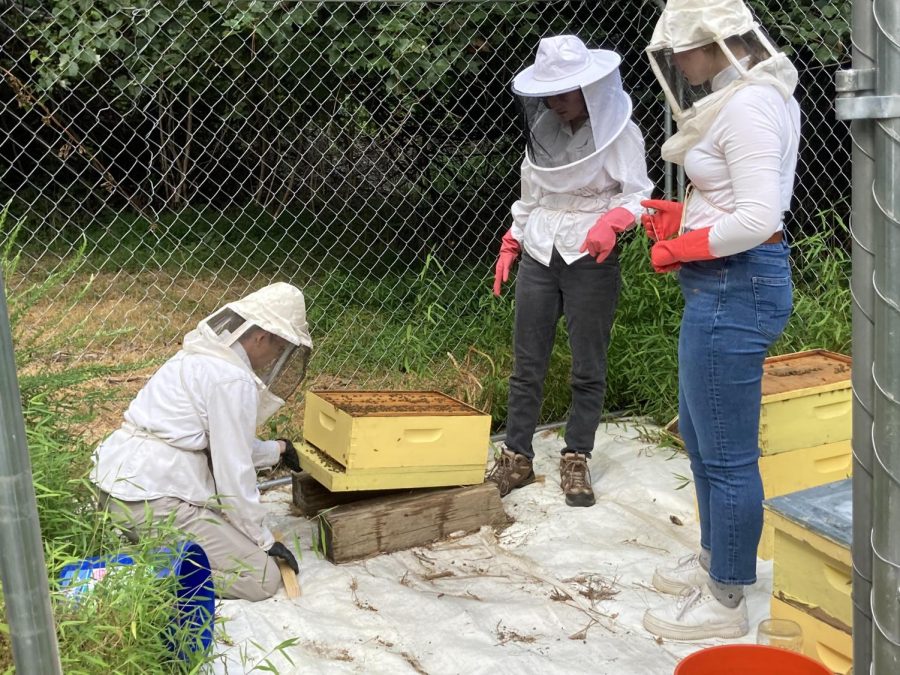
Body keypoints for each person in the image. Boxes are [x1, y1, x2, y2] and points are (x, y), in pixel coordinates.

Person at [639, 0, 801, 640]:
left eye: (682, 47)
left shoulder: (750, 106)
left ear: (718, 40)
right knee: (704, 439)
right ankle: (716, 559)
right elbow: (733, 196)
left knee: (728, 454)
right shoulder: (743, 97)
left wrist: (683, 245)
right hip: (723, 281)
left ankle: (726, 599)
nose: (676, 61)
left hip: (737, 284)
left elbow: (759, 218)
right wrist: (685, 219)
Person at [489, 35, 652, 507]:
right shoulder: (543, 130)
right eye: (550, 95)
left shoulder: (620, 132)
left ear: (589, 88)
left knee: (588, 363)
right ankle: (516, 457)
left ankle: (576, 456)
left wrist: (615, 221)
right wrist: (512, 240)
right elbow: (533, 194)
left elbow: (637, 193)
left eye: (565, 93)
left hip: (591, 256)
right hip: (541, 249)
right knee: (527, 362)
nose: (556, 104)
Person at [90, 282, 313, 601]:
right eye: (280, 349)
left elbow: (229, 444)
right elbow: (233, 475)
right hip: (153, 502)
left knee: (227, 537)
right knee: (259, 578)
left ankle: (137, 549)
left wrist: (278, 449)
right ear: (262, 337)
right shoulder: (232, 379)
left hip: (110, 489)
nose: (276, 358)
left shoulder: (196, 358)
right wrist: (264, 541)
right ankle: (145, 576)